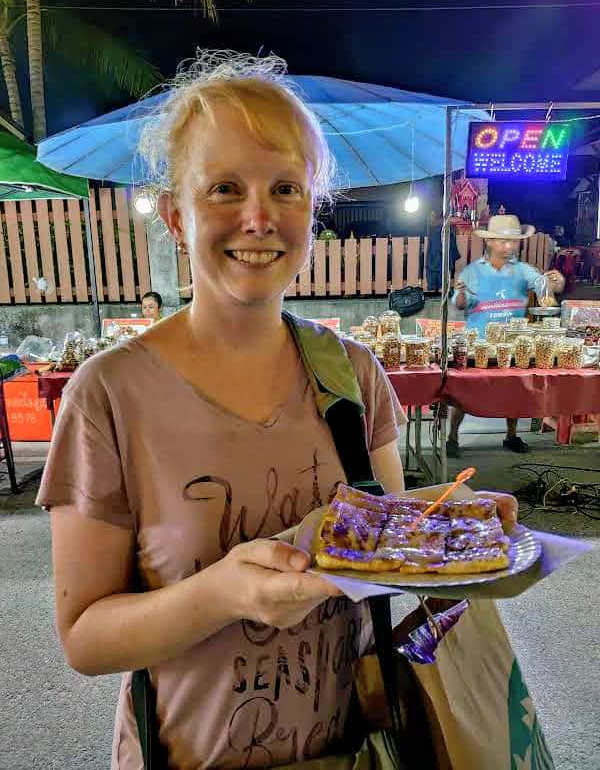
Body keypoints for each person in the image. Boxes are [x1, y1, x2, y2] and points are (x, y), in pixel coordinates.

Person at [35, 51, 411, 769]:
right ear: (176, 216)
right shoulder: (110, 394)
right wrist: (219, 595)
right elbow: (84, 637)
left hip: (354, 753)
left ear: (312, 209)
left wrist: (460, 548)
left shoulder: (353, 374)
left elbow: (389, 558)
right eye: (225, 189)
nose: (259, 217)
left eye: (286, 188)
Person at [448, 213, 564, 457]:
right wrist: (459, 294)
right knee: (463, 393)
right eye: (503, 241)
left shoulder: (522, 270)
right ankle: (452, 437)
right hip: (478, 342)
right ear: (489, 241)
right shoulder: (473, 272)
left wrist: (556, 281)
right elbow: (459, 304)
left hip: (512, 343)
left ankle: (511, 435)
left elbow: (546, 287)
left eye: (513, 242)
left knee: (515, 391)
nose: (509, 246)